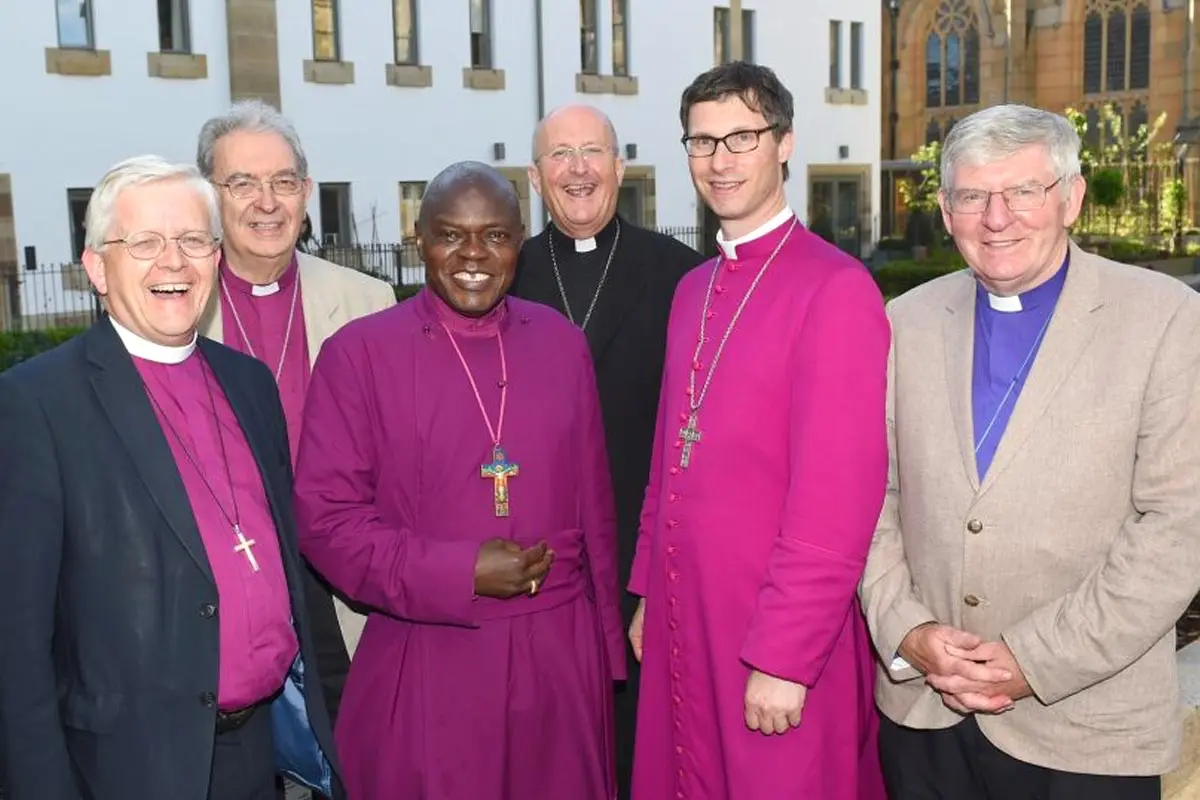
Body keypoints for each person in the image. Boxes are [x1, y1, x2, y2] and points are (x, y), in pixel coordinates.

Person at [859, 103, 1200, 800]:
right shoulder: (903, 322)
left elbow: (1178, 529)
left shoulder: (1166, 319)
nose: (996, 218)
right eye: (973, 196)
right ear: (947, 209)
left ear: (1070, 198)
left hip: (1086, 726)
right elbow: (871, 497)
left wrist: (1030, 659)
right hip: (927, 715)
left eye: (1022, 192)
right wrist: (907, 627)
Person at [0, 156, 341, 800]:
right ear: (97, 266)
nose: (173, 263)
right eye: (145, 243)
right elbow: (16, 652)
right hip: (127, 765)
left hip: (259, 747)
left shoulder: (249, 384)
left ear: (217, 258)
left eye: (192, 241)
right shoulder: (36, 405)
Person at [292, 161, 626, 798]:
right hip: (429, 654)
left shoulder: (559, 342)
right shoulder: (359, 354)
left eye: (495, 237)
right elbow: (326, 524)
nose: (474, 254)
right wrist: (460, 571)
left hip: (555, 653)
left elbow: (595, 509)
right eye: (452, 234)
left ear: (519, 242)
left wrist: (604, 649)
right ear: (420, 240)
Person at [626, 62, 890, 799]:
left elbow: (838, 499)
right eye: (702, 141)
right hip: (690, 611)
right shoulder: (692, 290)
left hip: (772, 629)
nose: (719, 159)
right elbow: (666, 458)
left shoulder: (835, 290)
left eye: (741, 137)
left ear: (784, 143)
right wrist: (649, 590)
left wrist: (785, 655)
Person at [509, 102, 705, 797]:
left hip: (645, 556)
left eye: (593, 152)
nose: (578, 169)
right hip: (534, 560)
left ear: (621, 168)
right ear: (535, 178)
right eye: (560, 156)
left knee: (644, 746)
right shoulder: (505, 275)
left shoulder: (682, 274)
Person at [195, 100, 396, 677]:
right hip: (229, 585)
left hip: (340, 592)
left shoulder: (366, 302)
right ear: (211, 194)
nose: (266, 202)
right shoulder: (180, 307)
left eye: (283, 182)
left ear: (306, 191)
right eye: (242, 183)